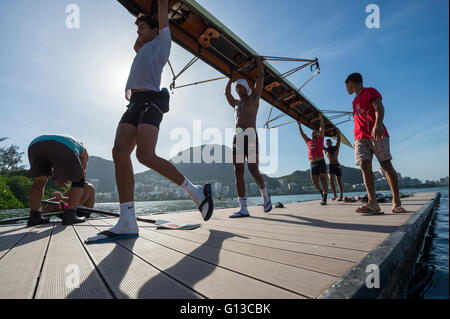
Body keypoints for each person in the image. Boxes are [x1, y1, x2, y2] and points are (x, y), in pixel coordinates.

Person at [87, 0, 213, 244]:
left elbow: (162, 19)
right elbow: (137, 39)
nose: (139, 33)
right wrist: (140, 19)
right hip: (133, 103)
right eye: (137, 30)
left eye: (143, 29)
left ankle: (196, 192)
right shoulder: (142, 47)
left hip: (151, 102)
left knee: (145, 155)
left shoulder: (161, 44)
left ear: (155, 31)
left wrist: (159, 7)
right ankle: (127, 220)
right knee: (119, 151)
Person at [345, 72, 405, 214]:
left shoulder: (370, 91)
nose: (346, 89)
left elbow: (379, 107)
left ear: (351, 83)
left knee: (385, 164)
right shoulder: (354, 102)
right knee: (364, 165)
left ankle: (396, 200)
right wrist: (356, 140)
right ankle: (373, 203)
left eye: (346, 86)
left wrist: (378, 125)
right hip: (360, 137)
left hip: (376, 133)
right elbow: (358, 121)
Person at [225, 57, 272, 218]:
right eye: (236, 88)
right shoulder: (236, 104)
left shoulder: (254, 98)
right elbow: (227, 94)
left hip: (250, 136)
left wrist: (259, 62)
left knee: (253, 169)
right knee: (238, 171)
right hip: (237, 137)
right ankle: (243, 208)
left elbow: (261, 78)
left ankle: (265, 195)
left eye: (240, 87)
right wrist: (230, 81)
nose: (238, 90)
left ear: (246, 88)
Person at [27, 134, 88, 226]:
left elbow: (50, 169)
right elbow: (82, 172)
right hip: (62, 145)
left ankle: (34, 217)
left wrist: (56, 178)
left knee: (39, 181)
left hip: (35, 145)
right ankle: (70, 215)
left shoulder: (72, 142)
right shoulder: (83, 150)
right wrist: (68, 177)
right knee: (79, 179)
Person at [297, 114, 328, 205]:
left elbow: (322, 128)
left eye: (315, 131)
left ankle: (325, 198)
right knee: (314, 182)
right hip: (313, 163)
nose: (313, 132)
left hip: (321, 161)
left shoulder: (320, 139)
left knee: (323, 178)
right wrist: (299, 126)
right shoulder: (308, 141)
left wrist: (321, 118)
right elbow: (302, 134)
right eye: (312, 132)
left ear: (318, 133)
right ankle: (322, 193)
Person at [324, 130, 344, 201]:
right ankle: (335, 195)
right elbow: (320, 142)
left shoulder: (336, 147)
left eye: (329, 142)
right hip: (330, 166)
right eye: (326, 143)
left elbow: (339, 140)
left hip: (337, 165)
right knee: (330, 179)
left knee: (339, 181)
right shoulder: (325, 149)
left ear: (331, 142)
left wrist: (338, 133)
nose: (328, 143)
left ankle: (341, 196)